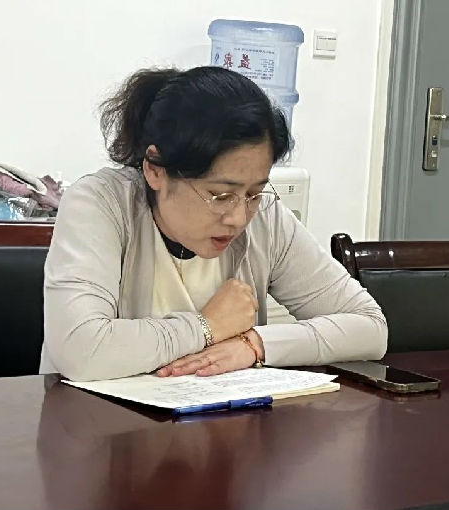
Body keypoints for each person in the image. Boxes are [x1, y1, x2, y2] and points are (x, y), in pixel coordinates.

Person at [40, 66, 387, 382]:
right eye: (220, 195)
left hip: (221, 424)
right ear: (155, 169)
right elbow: (81, 351)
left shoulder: (265, 217)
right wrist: (207, 326)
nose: (238, 217)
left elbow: (370, 327)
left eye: (254, 193)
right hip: (99, 425)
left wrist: (256, 344)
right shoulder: (101, 204)